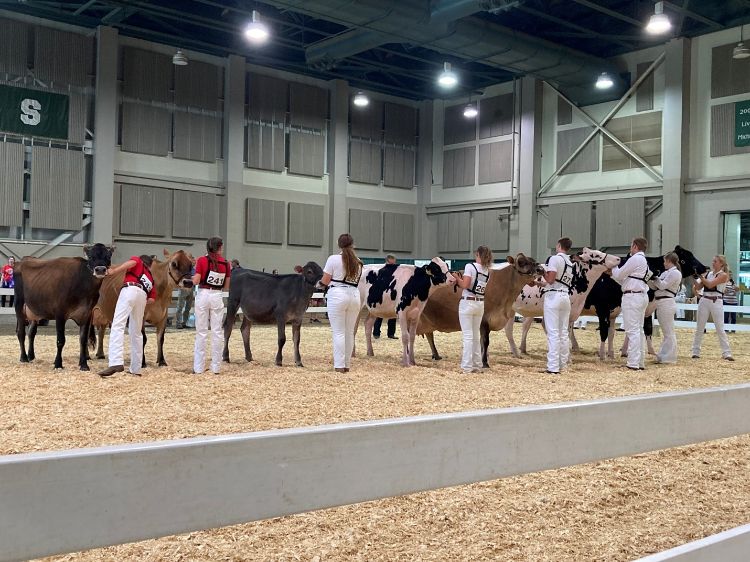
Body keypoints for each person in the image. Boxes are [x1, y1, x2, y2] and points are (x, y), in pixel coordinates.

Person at [99, 255, 157, 377]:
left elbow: (131, 263)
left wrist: (114, 271)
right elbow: (151, 300)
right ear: (150, 265)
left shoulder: (137, 260)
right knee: (136, 332)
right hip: (142, 297)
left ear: (142, 261)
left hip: (129, 289)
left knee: (118, 325)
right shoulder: (150, 278)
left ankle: (116, 362)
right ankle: (136, 369)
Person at [321, 233, 363, 373]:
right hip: (354, 296)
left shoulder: (333, 259)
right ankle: (346, 365)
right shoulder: (358, 261)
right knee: (349, 332)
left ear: (339, 244)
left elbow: (325, 281)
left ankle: (339, 365)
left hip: (338, 294)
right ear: (353, 244)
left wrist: (319, 284)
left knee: (338, 332)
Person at [192, 237, 231, 374]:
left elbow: (196, 281)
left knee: (201, 332)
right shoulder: (226, 263)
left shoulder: (202, 260)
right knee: (217, 332)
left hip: (203, 294)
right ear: (219, 247)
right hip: (217, 296)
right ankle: (216, 367)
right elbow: (226, 286)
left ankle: (198, 367)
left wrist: (191, 278)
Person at [611, 237, 650, 371]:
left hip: (632, 297)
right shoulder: (643, 260)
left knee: (632, 330)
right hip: (640, 295)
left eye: (631, 245)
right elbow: (625, 281)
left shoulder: (635, 258)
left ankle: (633, 363)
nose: (630, 248)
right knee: (638, 330)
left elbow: (620, 275)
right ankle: (639, 362)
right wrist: (613, 274)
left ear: (635, 246)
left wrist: (613, 265)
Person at [455, 245, 492, 373]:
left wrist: (457, 278)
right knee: (476, 335)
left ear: (477, 254)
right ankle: (477, 365)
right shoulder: (487, 270)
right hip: (480, 304)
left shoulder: (470, 267)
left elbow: (465, 284)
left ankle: (466, 366)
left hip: (468, 302)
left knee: (468, 335)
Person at [540, 238, 574, 375]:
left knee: (553, 332)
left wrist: (543, 272)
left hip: (553, 298)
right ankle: (562, 364)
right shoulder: (570, 263)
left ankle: (553, 366)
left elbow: (551, 279)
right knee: (563, 332)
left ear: (559, 245)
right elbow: (557, 282)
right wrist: (539, 284)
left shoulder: (555, 259)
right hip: (565, 296)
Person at [692, 255, 734, 361]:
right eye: (713, 261)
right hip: (704, 300)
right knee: (700, 327)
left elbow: (710, 285)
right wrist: (694, 276)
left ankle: (727, 353)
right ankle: (695, 351)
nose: (713, 263)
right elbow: (698, 287)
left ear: (721, 264)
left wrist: (701, 277)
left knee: (720, 328)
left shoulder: (724, 275)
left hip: (716, 300)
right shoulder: (709, 274)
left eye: (715, 261)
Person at [650, 252, 681, 364]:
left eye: (664, 261)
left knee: (668, 331)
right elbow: (655, 286)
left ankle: (669, 358)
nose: (663, 263)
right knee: (666, 331)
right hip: (660, 301)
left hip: (667, 302)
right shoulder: (666, 273)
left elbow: (662, 285)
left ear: (669, 261)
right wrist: (652, 279)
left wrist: (656, 279)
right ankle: (663, 355)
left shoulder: (676, 273)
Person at [373, 254, 398, 340]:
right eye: (392, 262)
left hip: (393, 294)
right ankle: (376, 333)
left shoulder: (396, 271)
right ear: (387, 261)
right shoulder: (381, 270)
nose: (393, 264)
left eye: (394, 262)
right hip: (382, 295)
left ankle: (391, 334)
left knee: (393, 314)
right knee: (380, 314)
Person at [175, 262, 195, 329]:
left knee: (188, 307)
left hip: (191, 288)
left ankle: (184, 322)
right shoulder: (182, 269)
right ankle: (178, 323)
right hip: (183, 288)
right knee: (180, 306)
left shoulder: (193, 269)